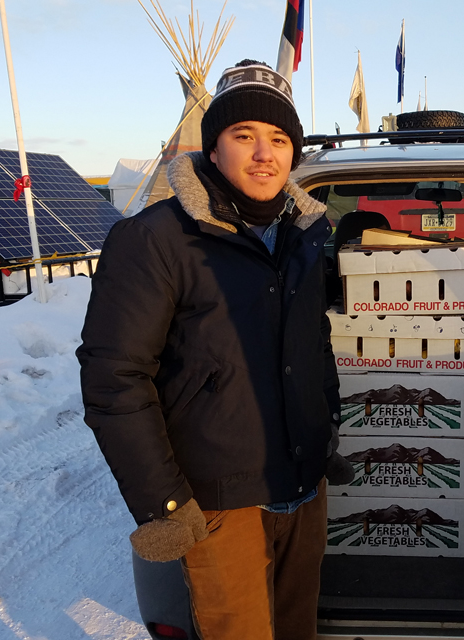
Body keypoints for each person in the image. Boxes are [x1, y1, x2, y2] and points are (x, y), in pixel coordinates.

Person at [77, 59, 352, 640]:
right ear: (213, 147)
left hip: (303, 488)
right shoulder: (155, 240)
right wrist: (167, 507)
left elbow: (312, 345)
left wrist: (325, 431)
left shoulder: (304, 233)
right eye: (244, 136)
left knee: (298, 629)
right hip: (220, 504)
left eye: (279, 139)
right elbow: (114, 380)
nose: (264, 154)